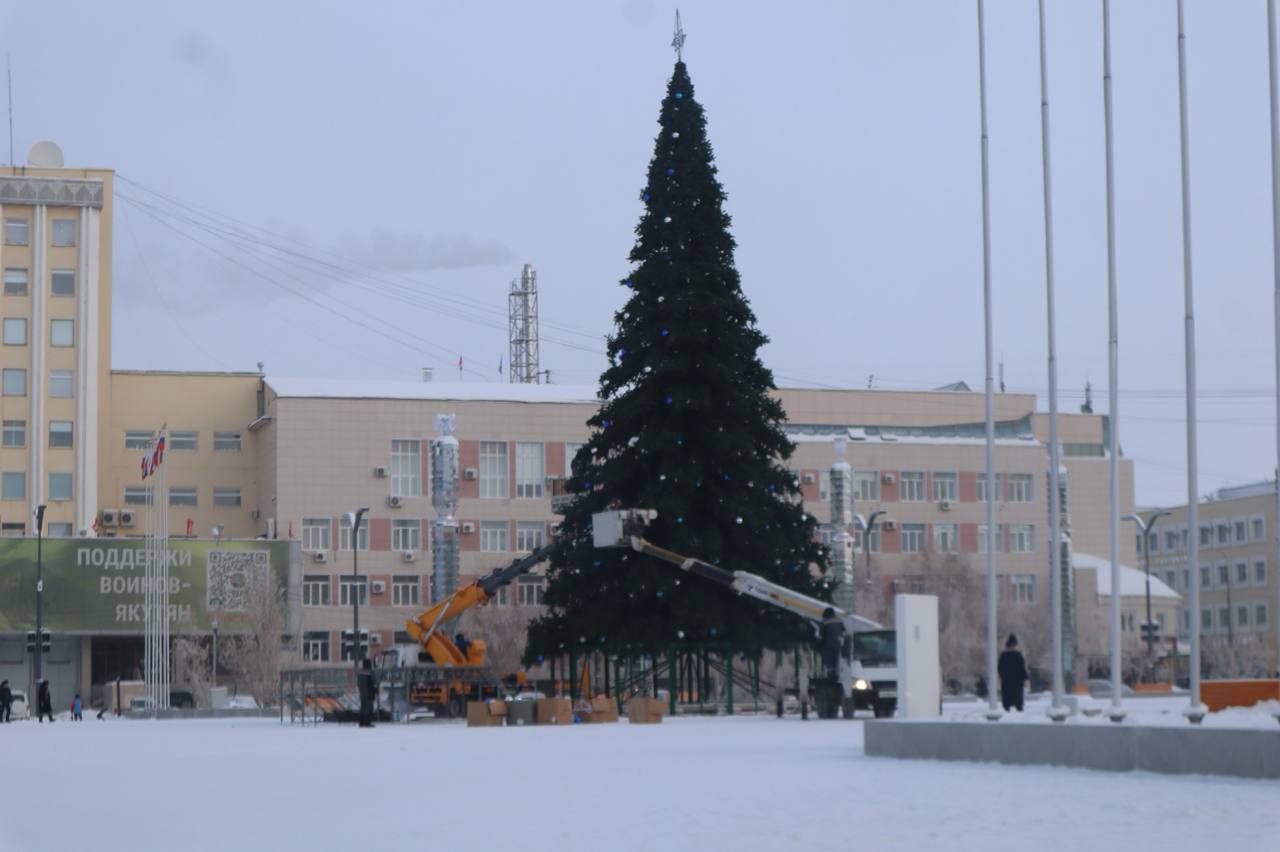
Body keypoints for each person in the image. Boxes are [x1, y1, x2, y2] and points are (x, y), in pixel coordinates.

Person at [997, 634, 1029, 713]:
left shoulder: (1003, 656)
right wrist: (1025, 678)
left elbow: (1000, 668)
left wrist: (1003, 677)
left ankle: (1007, 708)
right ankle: (1018, 708)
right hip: (1017, 682)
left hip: (1006, 682)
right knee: (1018, 701)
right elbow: (1021, 668)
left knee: (1007, 700)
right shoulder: (1018, 655)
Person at [819, 607, 845, 679]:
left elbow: (820, 636)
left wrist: (819, 644)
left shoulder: (824, 621)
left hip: (828, 643)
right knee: (836, 658)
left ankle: (830, 672)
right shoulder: (840, 620)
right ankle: (837, 673)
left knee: (829, 658)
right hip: (838, 643)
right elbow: (843, 630)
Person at [356, 658, 375, 728]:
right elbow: (374, 682)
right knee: (369, 707)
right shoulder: (370, 672)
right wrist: (375, 691)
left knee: (363, 707)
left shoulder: (360, 673)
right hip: (369, 692)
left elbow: (358, 683)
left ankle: (361, 721)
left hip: (362, 692)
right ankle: (367, 722)